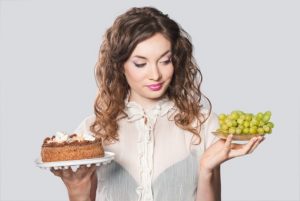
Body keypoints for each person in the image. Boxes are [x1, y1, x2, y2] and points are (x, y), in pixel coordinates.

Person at [51, 6, 264, 201]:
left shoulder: (203, 124)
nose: (155, 74)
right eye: (140, 63)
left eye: (165, 61)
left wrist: (207, 169)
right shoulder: (92, 132)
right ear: (119, 65)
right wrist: (76, 193)